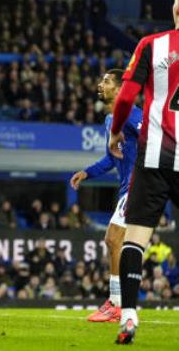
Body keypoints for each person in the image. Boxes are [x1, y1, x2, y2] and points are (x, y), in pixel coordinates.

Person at [110, 0, 179, 345]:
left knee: (135, 238)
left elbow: (124, 99)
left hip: (154, 156)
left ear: (175, 9)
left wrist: (115, 131)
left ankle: (130, 315)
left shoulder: (152, 45)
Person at [71, 68, 141, 322]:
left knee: (113, 239)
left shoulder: (134, 115)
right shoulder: (110, 120)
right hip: (126, 186)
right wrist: (87, 173)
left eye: (107, 81)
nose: (101, 85)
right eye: (101, 80)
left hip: (137, 185)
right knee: (116, 242)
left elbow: (154, 142)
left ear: (121, 89)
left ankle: (116, 303)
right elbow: (111, 158)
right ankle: (117, 302)